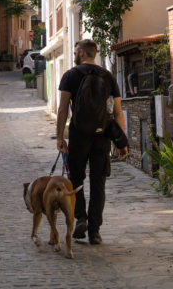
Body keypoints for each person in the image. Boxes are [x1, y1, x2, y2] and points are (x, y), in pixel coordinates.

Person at [56, 38, 128, 245]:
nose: (73, 55)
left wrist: (61, 137)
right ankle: (94, 231)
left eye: (74, 52)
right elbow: (117, 112)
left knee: (75, 180)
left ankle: (80, 219)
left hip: (79, 136)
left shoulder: (70, 75)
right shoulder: (107, 76)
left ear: (80, 53)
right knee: (99, 183)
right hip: (102, 136)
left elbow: (62, 109)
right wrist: (120, 141)